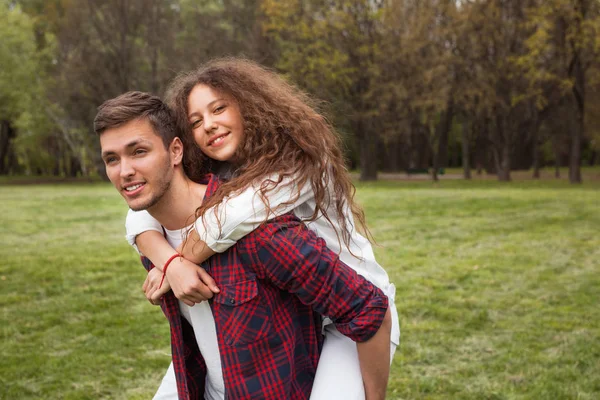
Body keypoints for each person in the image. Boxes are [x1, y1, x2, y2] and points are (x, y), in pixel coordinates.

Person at [127, 58, 401, 400]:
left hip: (360, 311)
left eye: (219, 109)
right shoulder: (225, 169)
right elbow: (140, 215)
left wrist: (174, 264)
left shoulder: (296, 162)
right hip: (301, 313)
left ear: (249, 106)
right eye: (196, 121)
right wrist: (168, 262)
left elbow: (224, 224)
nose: (209, 125)